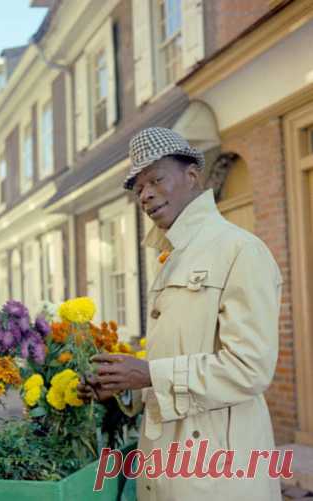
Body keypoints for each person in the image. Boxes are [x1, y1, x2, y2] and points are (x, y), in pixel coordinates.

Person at [78, 127, 283, 500]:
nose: (146, 194)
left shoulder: (240, 251)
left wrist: (149, 373)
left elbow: (251, 368)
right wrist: (124, 387)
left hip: (219, 473)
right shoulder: (172, 258)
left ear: (191, 176)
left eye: (156, 179)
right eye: (138, 188)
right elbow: (174, 363)